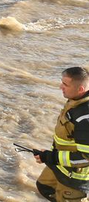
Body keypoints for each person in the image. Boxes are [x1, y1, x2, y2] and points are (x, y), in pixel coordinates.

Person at [35, 66, 89, 201]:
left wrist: (51, 157)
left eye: (65, 84)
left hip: (75, 177)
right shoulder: (75, 100)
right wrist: (48, 155)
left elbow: (86, 157)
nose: (60, 87)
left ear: (80, 89)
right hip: (62, 166)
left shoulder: (84, 118)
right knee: (44, 186)